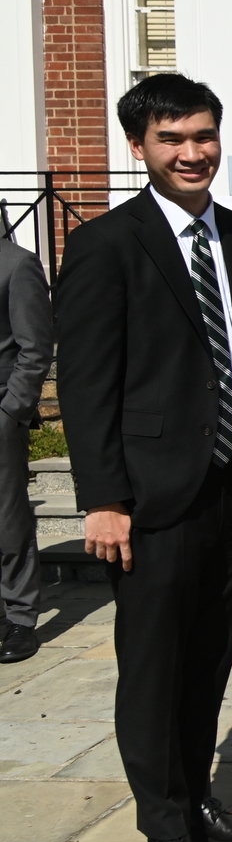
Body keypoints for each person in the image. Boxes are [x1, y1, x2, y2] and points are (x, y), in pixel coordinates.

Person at [55, 74, 232, 842]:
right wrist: (103, 496)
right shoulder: (107, 243)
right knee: (152, 667)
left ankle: (199, 793)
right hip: (148, 500)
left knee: (211, 660)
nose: (192, 153)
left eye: (203, 135)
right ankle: (165, 830)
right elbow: (85, 381)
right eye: (172, 139)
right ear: (139, 147)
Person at [0, 237, 52, 663]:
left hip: (0, 412)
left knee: (7, 517)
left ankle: (20, 616)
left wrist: (12, 411)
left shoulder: (16, 264)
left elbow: (34, 346)